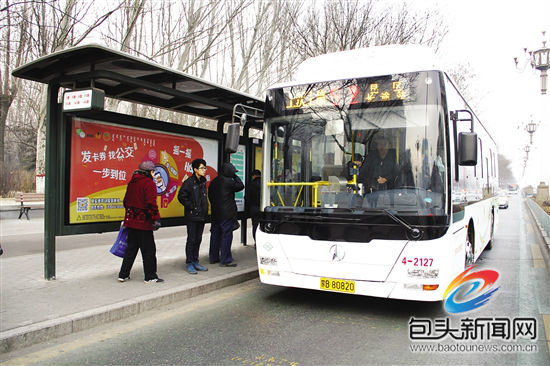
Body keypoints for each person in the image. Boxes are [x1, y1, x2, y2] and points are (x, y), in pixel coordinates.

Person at [118, 160, 164, 283]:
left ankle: (123, 274)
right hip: (144, 224)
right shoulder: (149, 183)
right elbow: (151, 203)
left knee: (131, 249)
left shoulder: (132, 182)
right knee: (148, 251)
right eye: (154, 171)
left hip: (131, 222)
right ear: (150, 172)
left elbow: (125, 201)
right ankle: (150, 277)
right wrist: (156, 219)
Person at [208, 162, 244, 267]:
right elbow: (241, 186)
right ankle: (225, 259)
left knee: (215, 235)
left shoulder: (213, 182)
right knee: (226, 236)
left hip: (215, 214)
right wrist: (235, 176)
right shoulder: (228, 182)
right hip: (226, 214)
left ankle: (213, 257)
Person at [177, 158, 209, 275]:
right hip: (192, 216)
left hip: (201, 216)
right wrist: (192, 207)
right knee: (191, 239)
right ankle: (189, 262)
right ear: (195, 169)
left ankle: (196, 261)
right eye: (202, 168)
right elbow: (181, 197)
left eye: (205, 168)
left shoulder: (203, 181)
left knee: (198, 239)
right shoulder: (189, 182)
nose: (204, 170)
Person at [245, 169, 261, 245]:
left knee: (255, 225)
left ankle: (256, 243)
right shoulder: (264, 183)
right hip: (263, 208)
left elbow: (247, 198)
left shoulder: (251, 184)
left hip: (254, 208)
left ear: (254, 176)